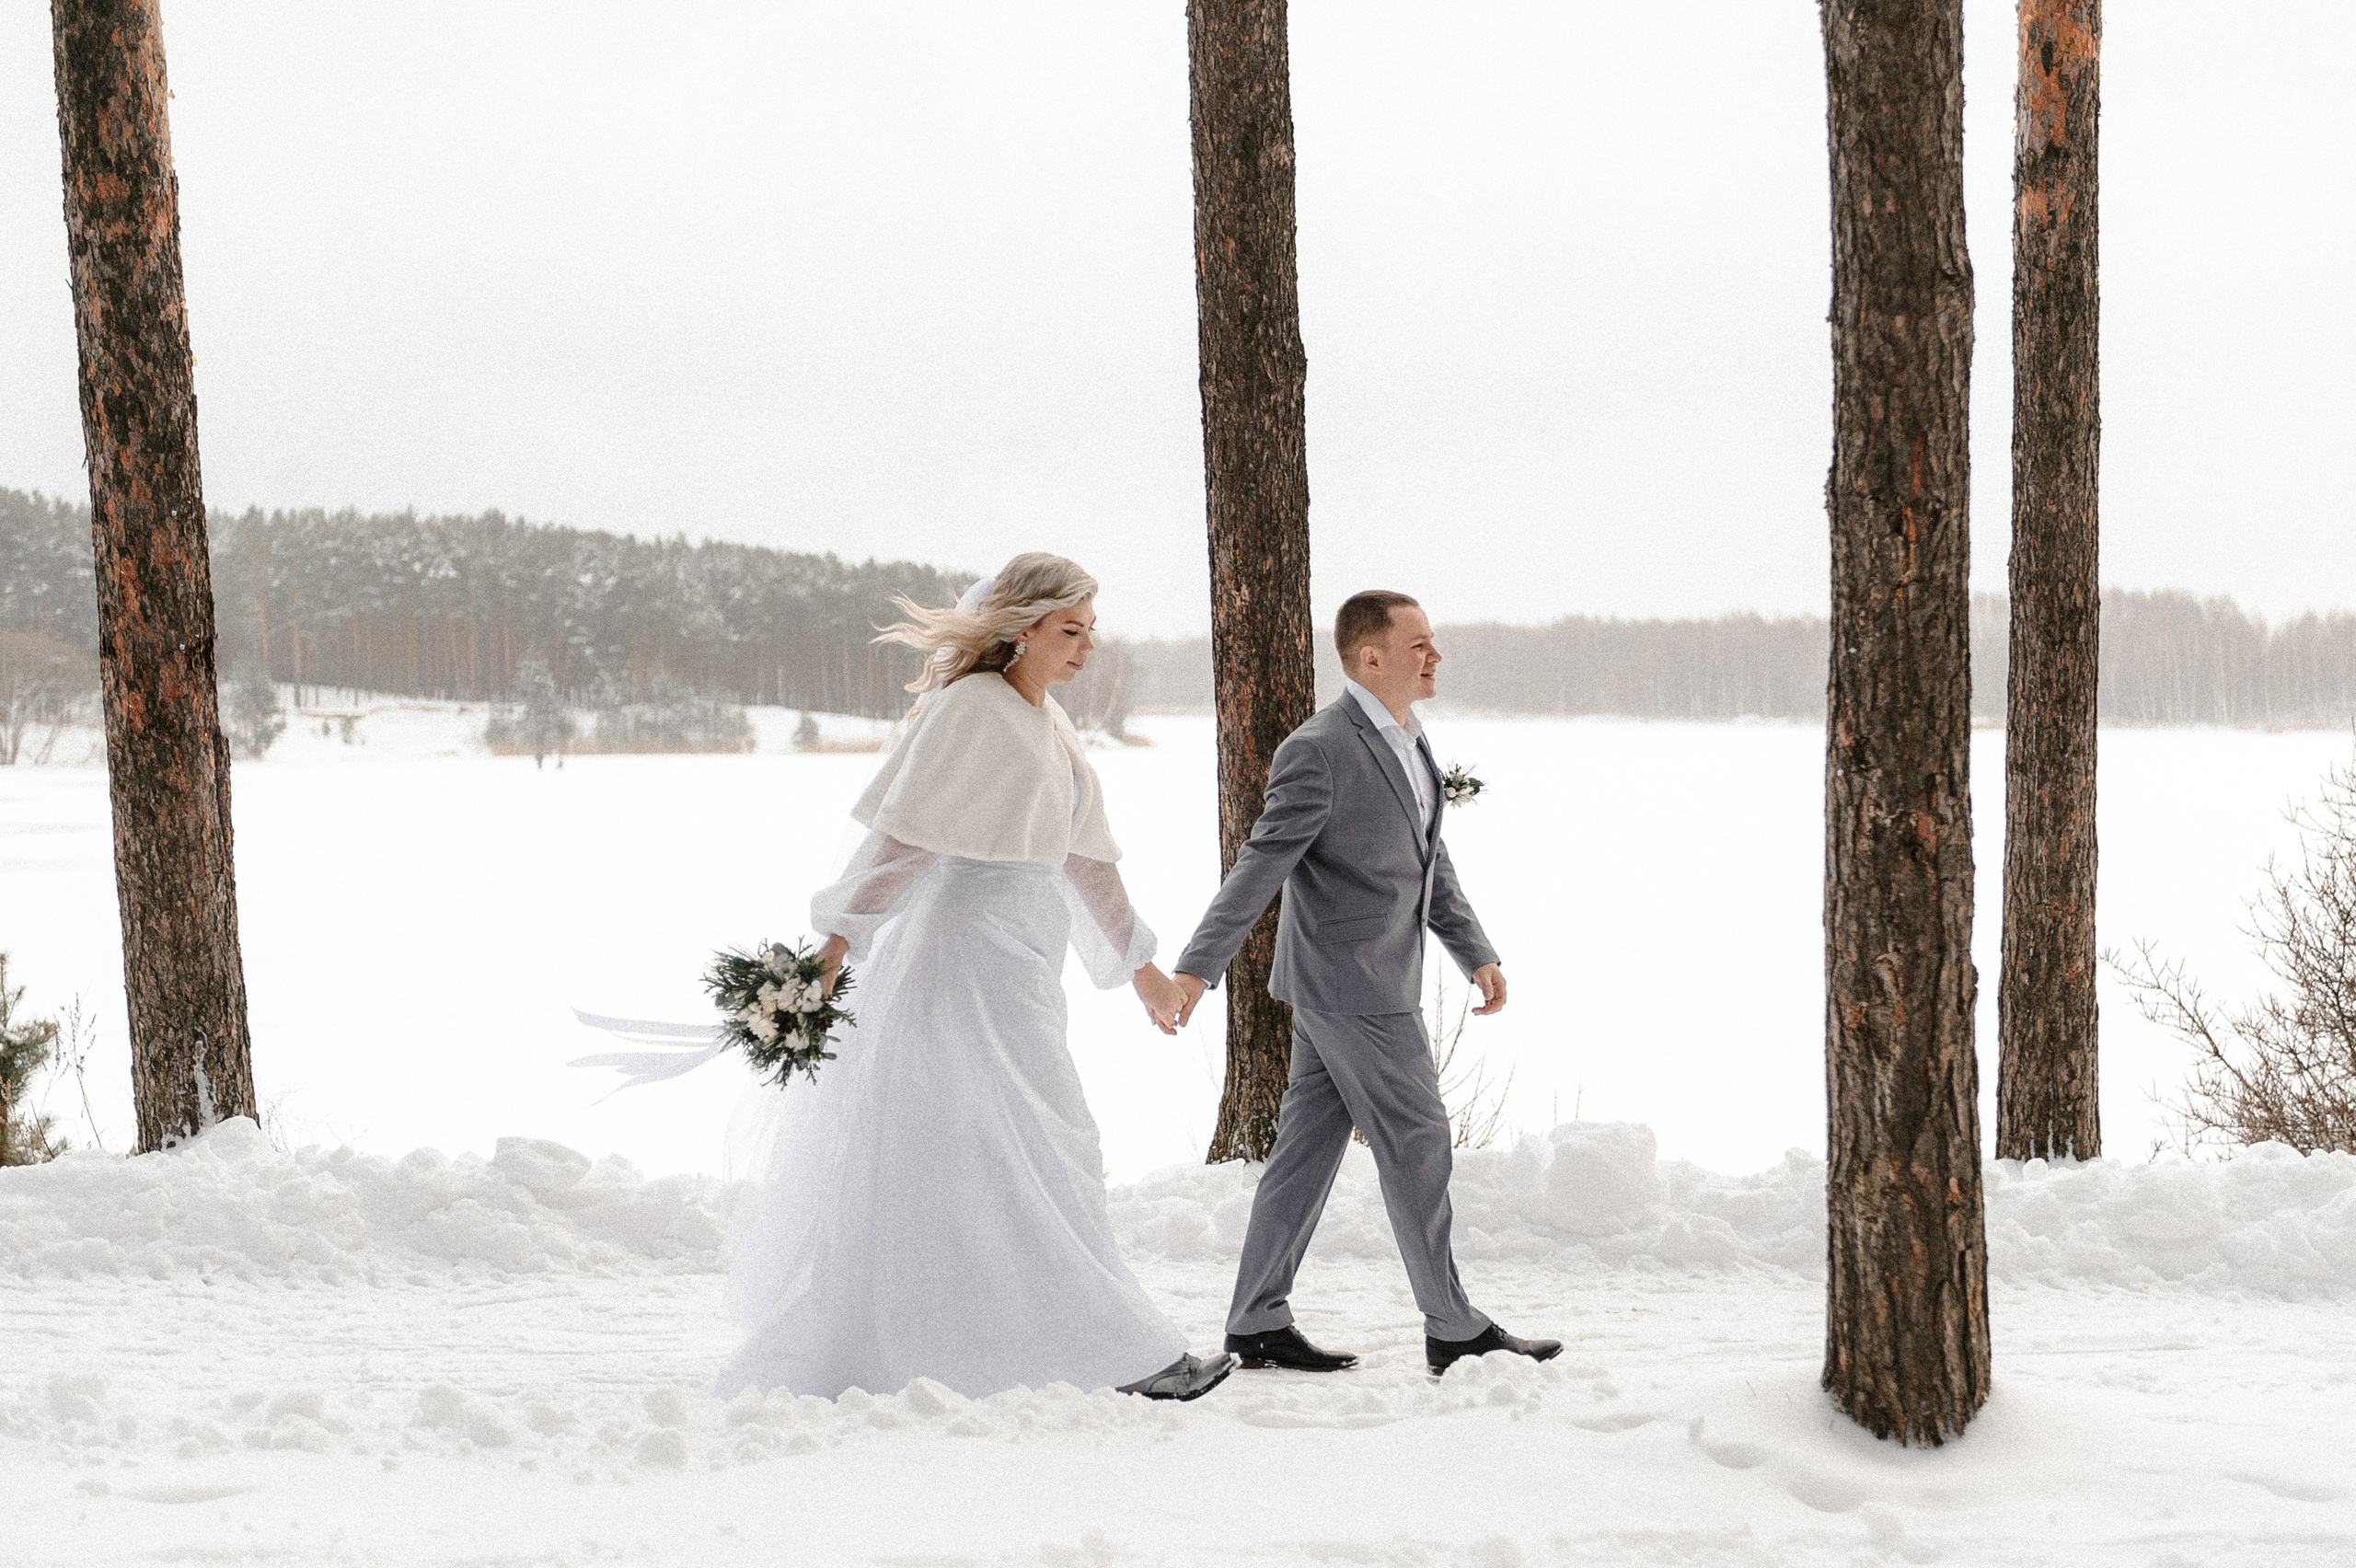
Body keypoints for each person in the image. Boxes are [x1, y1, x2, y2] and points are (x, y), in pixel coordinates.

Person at [715, 553, 1233, 1402]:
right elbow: (904, 839)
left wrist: (1142, 968)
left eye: (1091, 631)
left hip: (1024, 957)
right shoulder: (971, 709)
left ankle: (1028, 1340)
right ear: (1020, 629)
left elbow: (1083, 855)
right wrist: (840, 943)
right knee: (998, 1144)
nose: (1086, 647)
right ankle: (1116, 1352)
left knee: (1042, 1142)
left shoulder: (1048, 720)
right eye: (1070, 631)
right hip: (962, 956)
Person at [1171, 590, 1561, 1378]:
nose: (1436, 656)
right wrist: (1195, 968)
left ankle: (1254, 1321)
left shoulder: (1410, 738)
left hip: (1359, 980)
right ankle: (1452, 1324)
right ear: (1370, 657)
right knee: (1419, 1142)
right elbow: (1262, 866)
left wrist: (1473, 949)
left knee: (1305, 1155)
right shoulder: (1319, 749)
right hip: (1355, 987)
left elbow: (1427, 860)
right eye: (1420, 643)